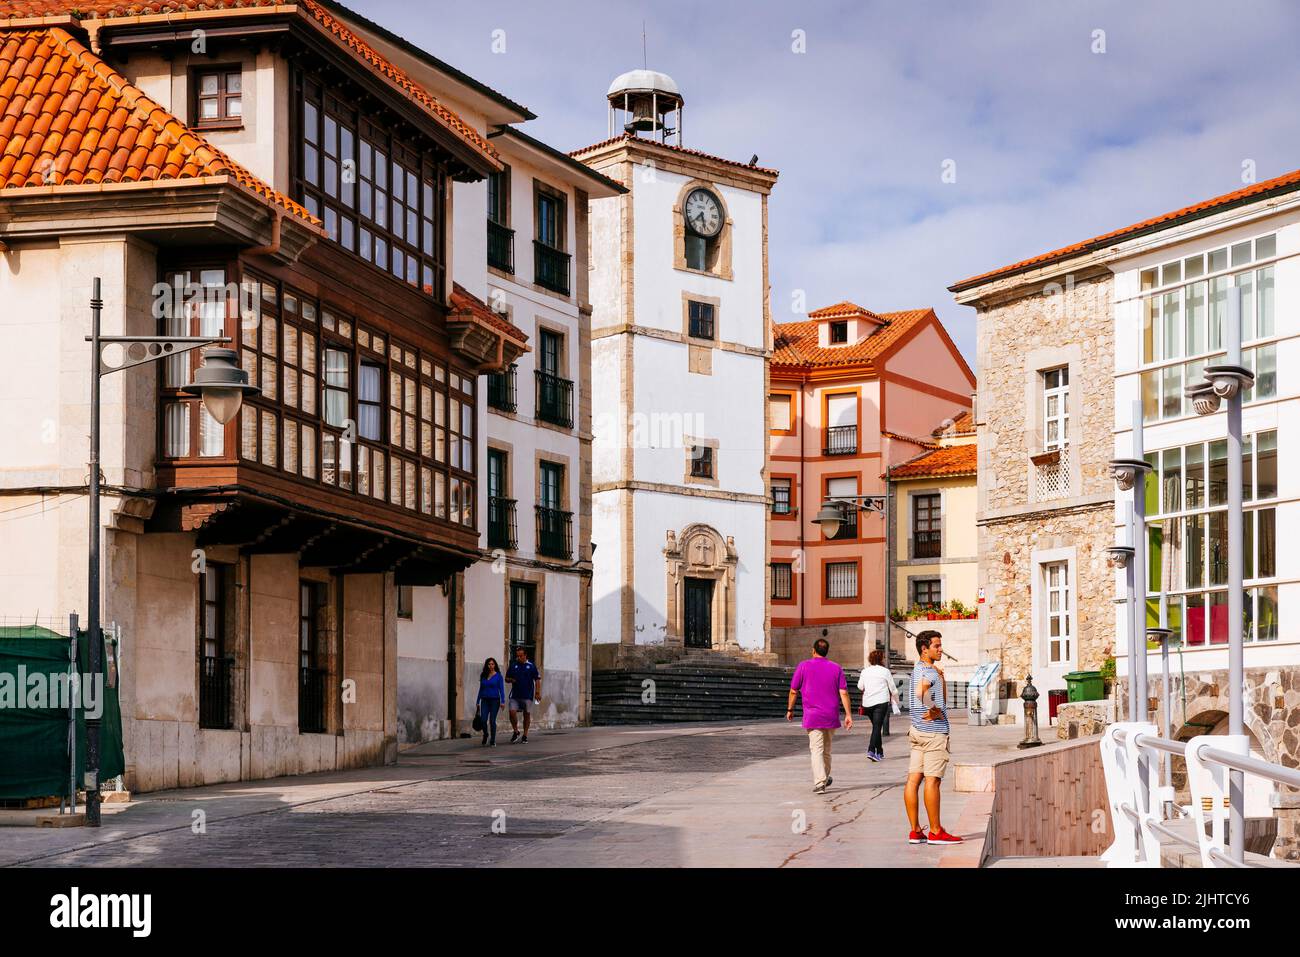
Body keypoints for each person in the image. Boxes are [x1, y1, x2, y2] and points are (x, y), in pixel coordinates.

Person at [904, 630, 962, 845]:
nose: (941, 649)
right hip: (934, 733)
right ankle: (936, 831)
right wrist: (935, 708)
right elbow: (922, 693)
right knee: (932, 781)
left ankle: (915, 830)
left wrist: (940, 677)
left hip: (917, 731)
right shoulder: (928, 672)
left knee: (913, 780)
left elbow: (925, 690)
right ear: (924, 649)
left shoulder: (919, 668)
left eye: (940, 645)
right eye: (936, 646)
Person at [786, 637, 852, 793]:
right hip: (831, 715)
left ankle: (820, 782)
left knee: (816, 749)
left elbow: (793, 690)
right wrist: (848, 714)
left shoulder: (803, 666)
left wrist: (790, 709)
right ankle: (825, 777)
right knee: (827, 750)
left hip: (812, 715)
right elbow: (843, 692)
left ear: (813, 651)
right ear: (826, 652)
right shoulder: (836, 668)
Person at [857, 648, 899, 762]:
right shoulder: (885, 671)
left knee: (876, 726)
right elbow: (893, 689)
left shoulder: (865, 671)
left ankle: (879, 751)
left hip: (868, 703)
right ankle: (871, 750)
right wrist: (896, 700)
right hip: (881, 702)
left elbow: (860, 686)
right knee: (877, 727)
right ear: (881, 659)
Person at [505, 646, 541, 744]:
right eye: (517, 656)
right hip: (515, 695)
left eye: (521, 656)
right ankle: (516, 731)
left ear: (525, 655)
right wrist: (511, 680)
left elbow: (537, 679)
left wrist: (537, 693)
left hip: (527, 695)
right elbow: (506, 678)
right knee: (512, 713)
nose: (519, 658)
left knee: (526, 714)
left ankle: (525, 735)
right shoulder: (513, 665)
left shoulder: (531, 666)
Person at [476, 657, 505, 746]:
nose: (491, 666)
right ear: (486, 665)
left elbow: (501, 690)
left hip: (495, 701)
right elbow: (481, 689)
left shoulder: (498, 676)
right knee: (483, 720)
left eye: (492, 664)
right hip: (484, 700)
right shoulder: (483, 675)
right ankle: (486, 734)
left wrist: (503, 701)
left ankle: (492, 740)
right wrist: (477, 701)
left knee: (492, 720)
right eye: (489, 664)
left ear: (495, 665)